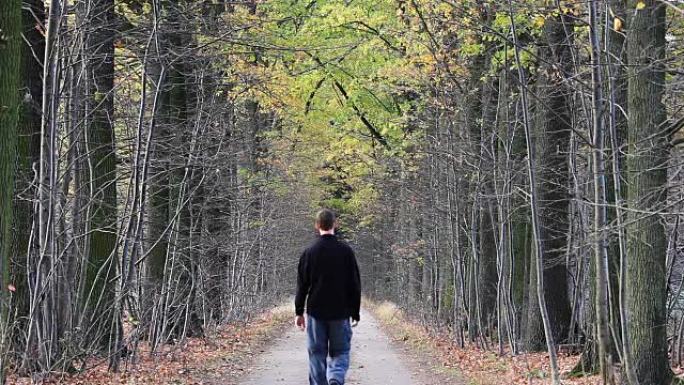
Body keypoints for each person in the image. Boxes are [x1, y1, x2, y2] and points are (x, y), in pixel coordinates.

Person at [295, 209, 361, 385]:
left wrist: (299, 312)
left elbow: (302, 285)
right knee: (341, 352)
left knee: (316, 354)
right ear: (335, 224)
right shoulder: (346, 252)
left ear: (317, 226)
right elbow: (354, 284)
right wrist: (355, 312)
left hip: (316, 312)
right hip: (340, 311)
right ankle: (335, 378)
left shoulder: (309, 252)